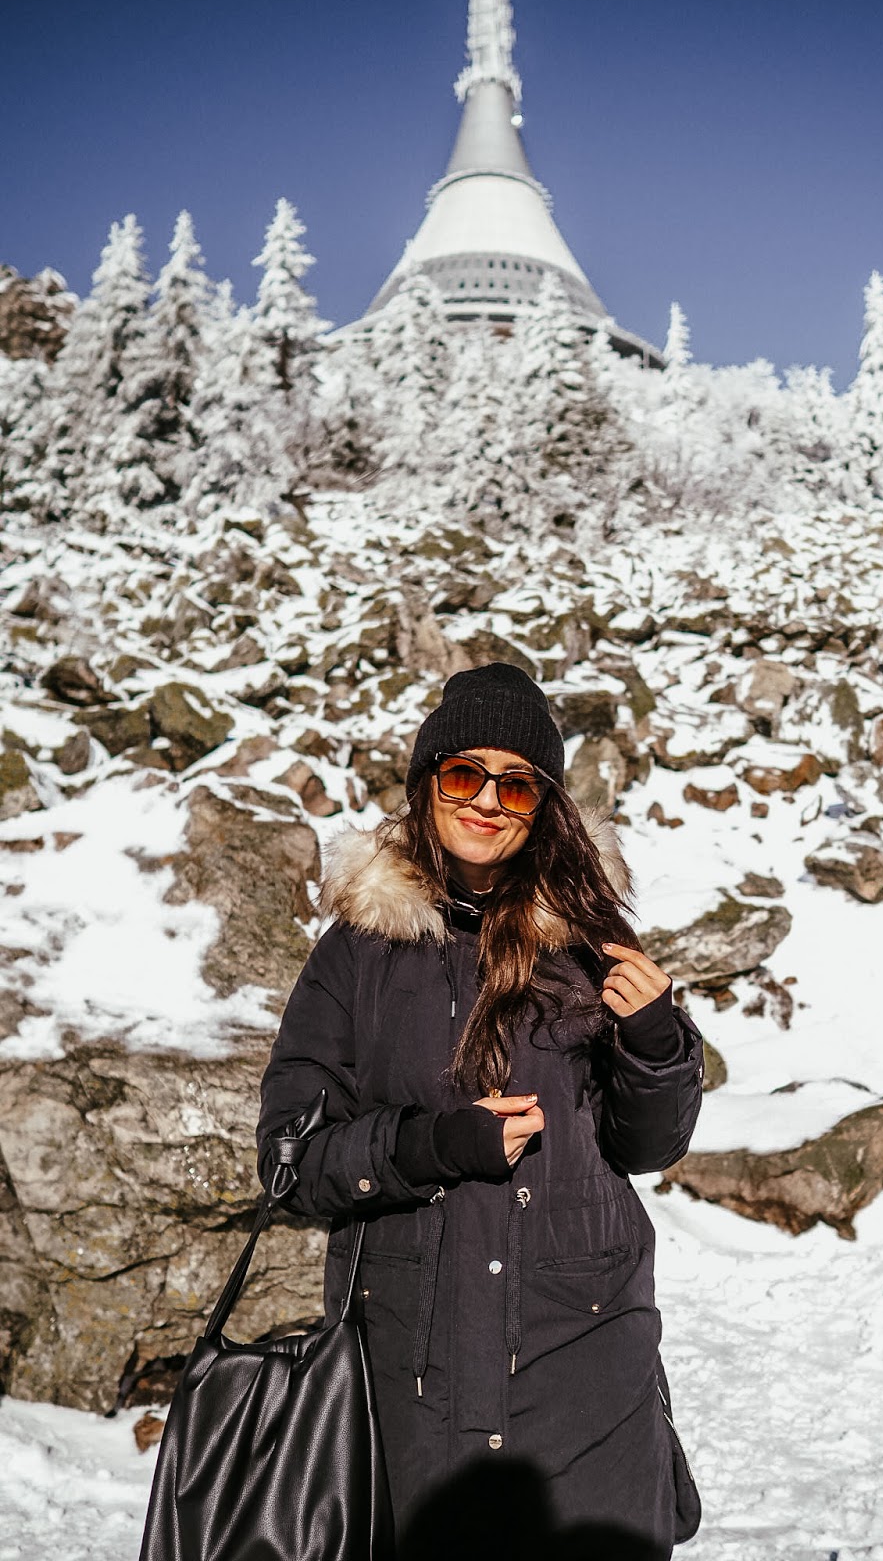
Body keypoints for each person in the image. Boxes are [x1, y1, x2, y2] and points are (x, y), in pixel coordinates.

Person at [257, 662, 703, 1555]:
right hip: (414, 1374)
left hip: (586, 1364)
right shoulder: (357, 952)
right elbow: (290, 1163)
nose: (488, 802)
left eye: (517, 784)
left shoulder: (591, 937)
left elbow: (649, 1146)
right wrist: (430, 1146)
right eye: (465, 775)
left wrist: (656, 1042)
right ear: (429, 783)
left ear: (545, 806)